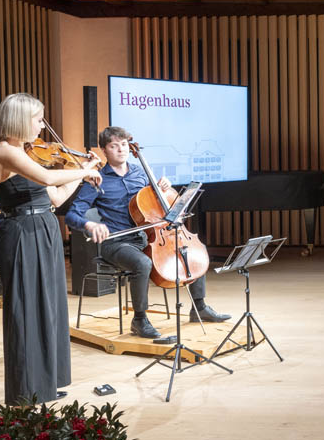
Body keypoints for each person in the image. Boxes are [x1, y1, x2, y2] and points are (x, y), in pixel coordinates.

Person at [0, 93, 101, 405]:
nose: (41, 126)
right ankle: (27, 390)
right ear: (20, 120)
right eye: (38, 119)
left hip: (44, 229)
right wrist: (85, 171)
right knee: (27, 308)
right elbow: (49, 177)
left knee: (50, 306)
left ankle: (47, 382)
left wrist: (84, 171)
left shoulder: (27, 153)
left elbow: (57, 196)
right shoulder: (4, 152)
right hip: (22, 233)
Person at [65, 126, 230, 340]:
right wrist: (89, 225)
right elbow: (72, 215)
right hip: (116, 242)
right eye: (114, 146)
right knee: (143, 263)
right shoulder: (97, 180)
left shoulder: (140, 172)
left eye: (124, 144)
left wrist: (163, 187)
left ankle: (199, 307)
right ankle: (139, 320)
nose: (121, 149)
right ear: (104, 150)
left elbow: (157, 206)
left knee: (189, 249)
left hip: (146, 237)